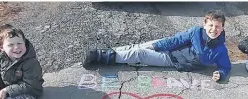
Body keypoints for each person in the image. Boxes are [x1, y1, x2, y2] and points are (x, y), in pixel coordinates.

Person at [83, 10, 231, 82]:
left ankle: (102, 57)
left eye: (218, 27)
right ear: (205, 24)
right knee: (140, 47)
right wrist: (156, 45)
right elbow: (175, 40)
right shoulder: (195, 32)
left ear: (222, 28)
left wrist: (221, 73)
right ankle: (105, 54)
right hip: (170, 47)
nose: (214, 29)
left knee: (140, 54)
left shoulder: (221, 50)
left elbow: (225, 66)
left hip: (173, 60)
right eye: (211, 25)